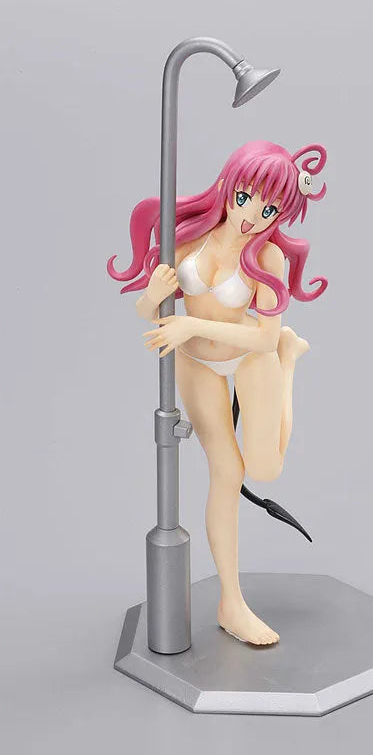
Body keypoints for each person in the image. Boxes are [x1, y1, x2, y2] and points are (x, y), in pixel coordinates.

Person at [108, 140, 328, 645]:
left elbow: (265, 336)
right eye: (246, 198)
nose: (251, 216)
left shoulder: (268, 257)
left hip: (251, 354)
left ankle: (290, 365)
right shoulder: (189, 239)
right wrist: (152, 298)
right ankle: (232, 602)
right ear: (229, 185)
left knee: (265, 469)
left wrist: (191, 326)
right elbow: (149, 312)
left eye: (268, 210)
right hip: (196, 363)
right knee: (226, 473)